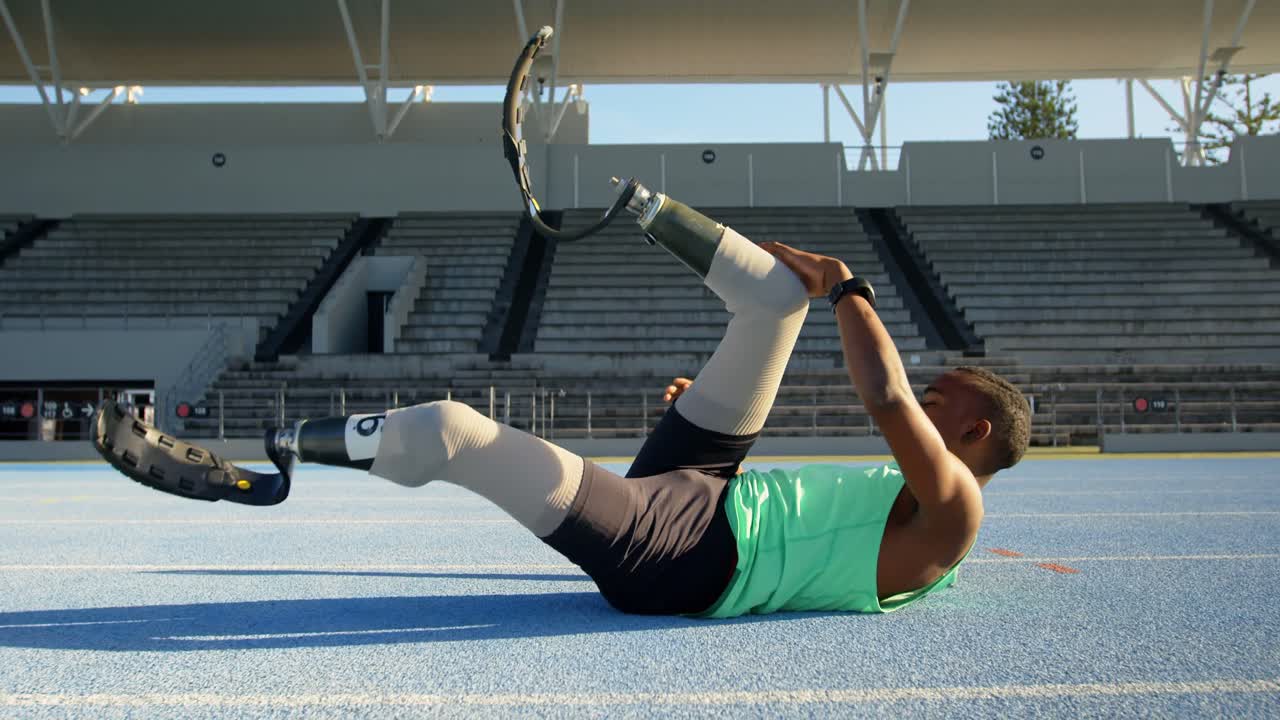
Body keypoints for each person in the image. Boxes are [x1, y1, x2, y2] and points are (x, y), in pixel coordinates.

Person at [95, 196, 1031, 619]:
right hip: (709, 490)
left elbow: (883, 391)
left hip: (688, 560)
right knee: (775, 302)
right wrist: (705, 415)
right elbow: (831, 519)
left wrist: (850, 283)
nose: (927, 391)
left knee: (450, 430)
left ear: (972, 432)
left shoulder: (955, 508)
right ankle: (640, 200)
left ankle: (270, 461)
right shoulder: (929, 504)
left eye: (944, 395)